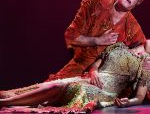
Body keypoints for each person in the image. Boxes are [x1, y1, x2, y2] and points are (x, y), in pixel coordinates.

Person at [0, 42, 150, 113]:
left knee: (61, 87)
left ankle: (4, 102)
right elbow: (94, 66)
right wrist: (94, 72)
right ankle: (6, 101)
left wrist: (127, 103)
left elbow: (140, 97)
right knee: (54, 84)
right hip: (89, 78)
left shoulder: (145, 64)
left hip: (105, 91)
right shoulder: (118, 47)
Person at [46, 0, 146, 83]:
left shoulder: (132, 26)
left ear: (135, 4)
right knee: (50, 88)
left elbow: (142, 46)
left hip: (103, 77)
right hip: (79, 65)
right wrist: (98, 40)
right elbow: (72, 36)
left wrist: (130, 54)